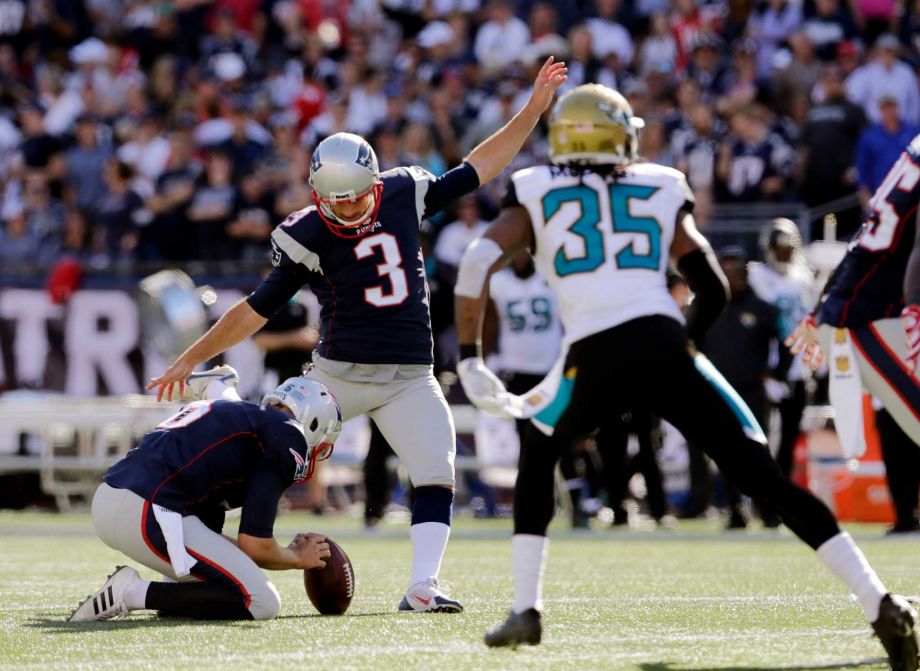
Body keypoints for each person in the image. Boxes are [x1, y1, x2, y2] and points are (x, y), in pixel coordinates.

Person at [453, 83, 918, 668]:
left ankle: (527, 607)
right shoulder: (659, 184)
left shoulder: (536, 188)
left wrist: (469, 355)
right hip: (664, 342)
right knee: (765, 477)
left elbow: (476, 261)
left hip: (589, 355)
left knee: (539, 450)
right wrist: (681, 344)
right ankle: (878, 602)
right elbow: (713, 286)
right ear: (618, 135)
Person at [146, 57, 568, 613]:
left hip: (408, 374)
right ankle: (212, 555)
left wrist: (533, 109)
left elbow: (478, 167)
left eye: (354, 196)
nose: (345, 208)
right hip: (336, 374)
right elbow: (256, 310)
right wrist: (190, 357)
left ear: (373, 180)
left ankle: (422, 585)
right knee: (264, 452)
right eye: (334, 198)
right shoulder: (307, 231)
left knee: (436, 472)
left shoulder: (402, 193)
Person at [67, 376, 342, 622]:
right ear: (314, 424)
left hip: (118, 498)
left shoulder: (244, 418)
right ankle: (132, 592)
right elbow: (256, 546)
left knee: (209, 584)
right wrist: (295, 557)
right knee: (261, 602)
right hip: (149, 511)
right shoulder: (287, 435)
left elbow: (222, 391)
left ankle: (161, 591)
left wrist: (218, 384)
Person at [786, 132, 920, 449]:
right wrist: (915, 308)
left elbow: (865, 237)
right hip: (868, 319)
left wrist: (821, 308)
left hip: (862, 308)